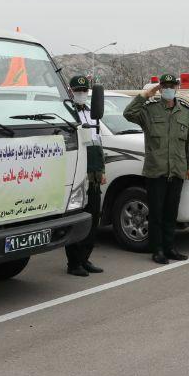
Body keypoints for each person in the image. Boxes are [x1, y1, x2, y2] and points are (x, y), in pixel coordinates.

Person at [124, 74, 189, 264]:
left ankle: (170, 248)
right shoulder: (150, 111)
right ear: (160, 88)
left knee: (171, 213)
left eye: (171, 86)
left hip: (177, 171)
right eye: (164, 86)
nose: (168, 89)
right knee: (156, 213)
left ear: (177, 88)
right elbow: (128, 113)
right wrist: (147, 94)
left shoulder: (185, 114)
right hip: (156, 171)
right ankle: (157, 250)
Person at [64, 75, 106, 276]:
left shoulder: (91, 113)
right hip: (78, 173)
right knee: (77, 218)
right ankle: (74, 262)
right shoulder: (67, 113)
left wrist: (102, 170)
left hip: (94, 173)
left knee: (93, 217)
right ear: (70, 91)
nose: (81, 94)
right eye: (78, 91)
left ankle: (85, 258)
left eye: (84, 91)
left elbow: (98, 143)